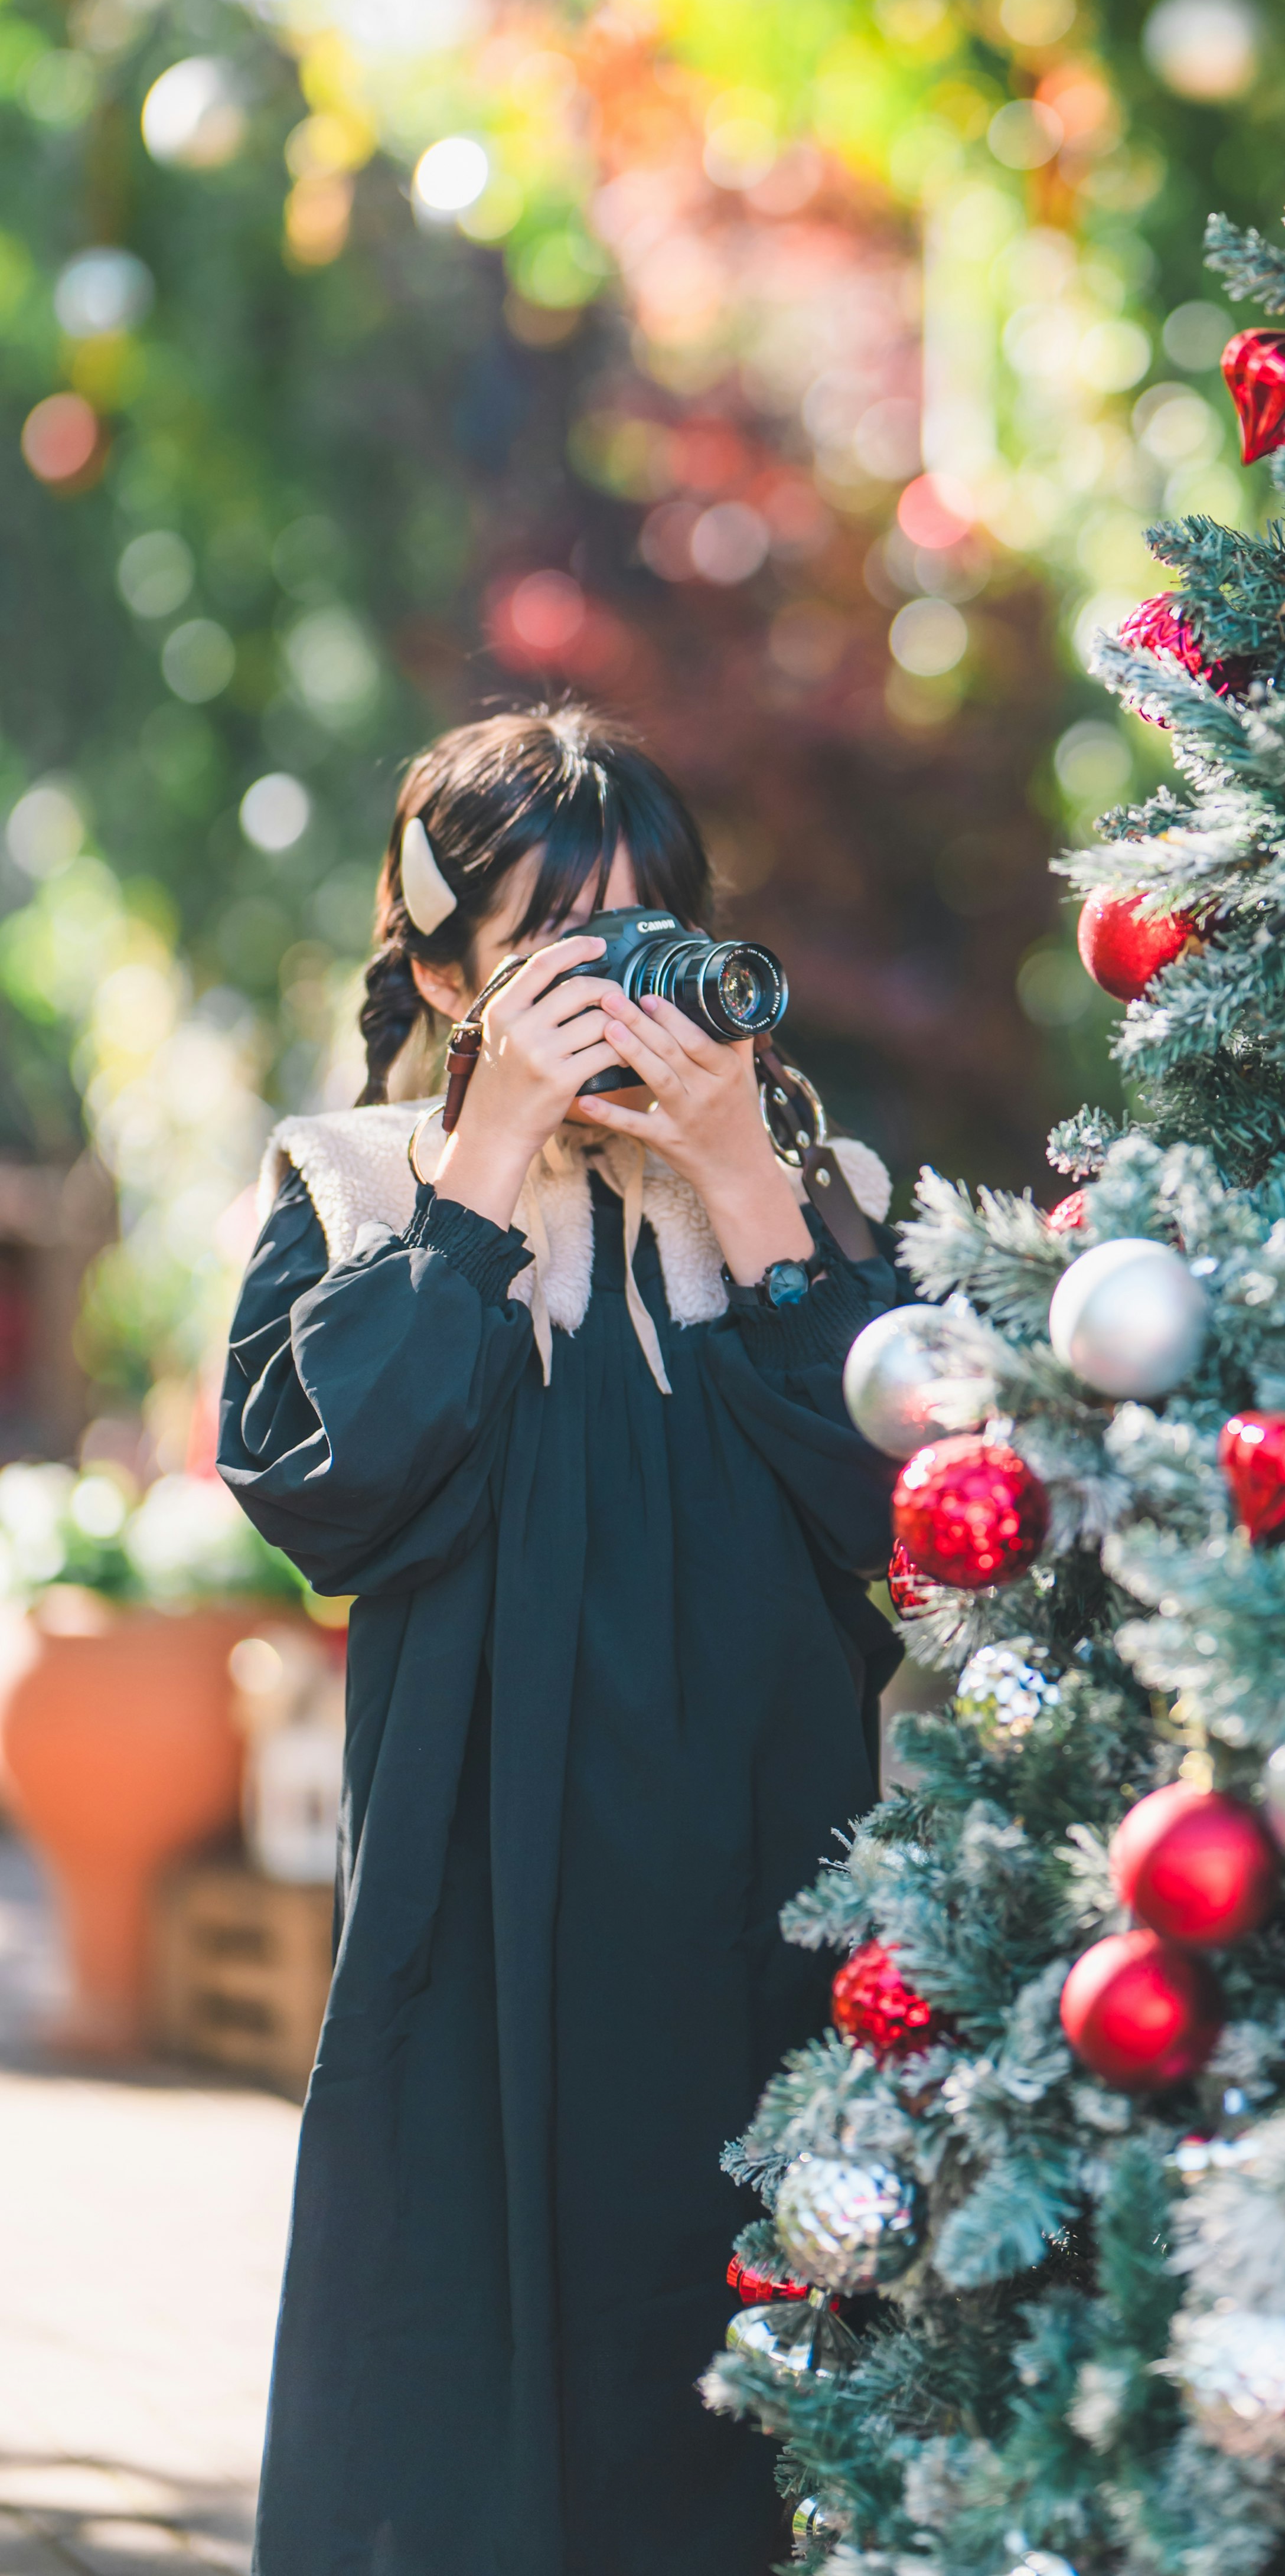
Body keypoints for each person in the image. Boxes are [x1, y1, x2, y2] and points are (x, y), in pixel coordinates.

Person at [219, 705, 904, 2575]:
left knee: (746, 2389)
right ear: (442, 969)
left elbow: (909, 1516)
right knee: (462, 2402)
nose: (613, 1002)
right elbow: (327, 1494)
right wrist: (490, 1152)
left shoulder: (809, 1196)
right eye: (552, 955)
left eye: (647, 943)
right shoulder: (357, 1196)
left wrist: (747, 1172)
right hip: (485, 1929)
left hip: (774, 1916)